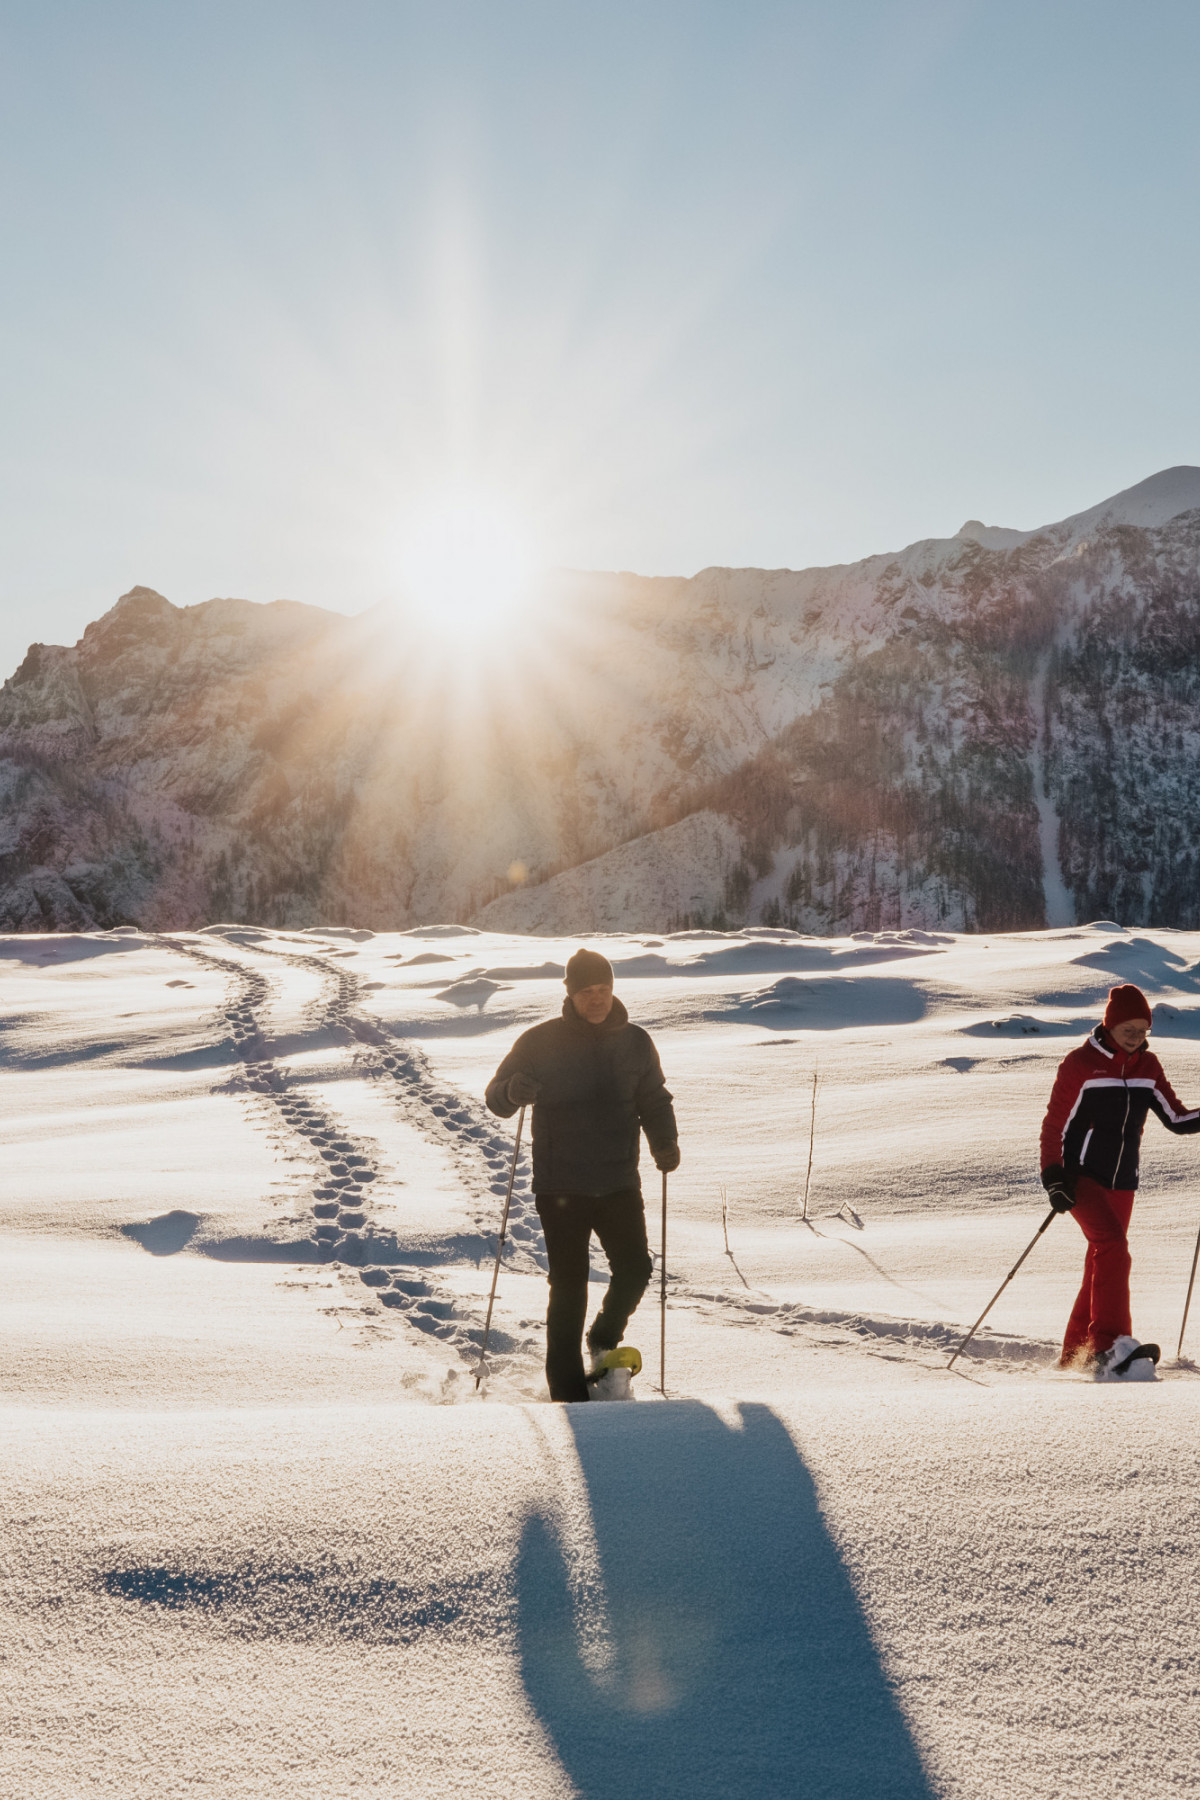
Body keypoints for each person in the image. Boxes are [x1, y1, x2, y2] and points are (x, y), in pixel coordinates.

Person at [485, 947, 679, 1402]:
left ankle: (603, 1338)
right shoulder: (539, 1042)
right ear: (570, 994)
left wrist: (664, 1142)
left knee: (635, 1269)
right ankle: (567, 1392)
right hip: (562, 1185)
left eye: (604, 989)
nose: (597, 999)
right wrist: (512, 1090)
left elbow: (654, 1098)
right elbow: (495, 1098)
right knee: (569, 1287)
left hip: (618, 1182)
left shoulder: (636, 1042)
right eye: (587, 991)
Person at [1040, 982, 1200, 1372]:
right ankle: (1111, 1345)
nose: (1136, 1037)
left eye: (1143, 1030)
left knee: (1102, 1261)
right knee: (1113, 1247)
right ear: (1109, 1026)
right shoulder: (1080, 1064)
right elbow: (1054, 1126)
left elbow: (1176, 1118)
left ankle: (1074, 1356)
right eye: (1129, 1029)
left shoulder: (1148, 1067)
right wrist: (1054, 1177)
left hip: (1123, 1181)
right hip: (1081, 1177)